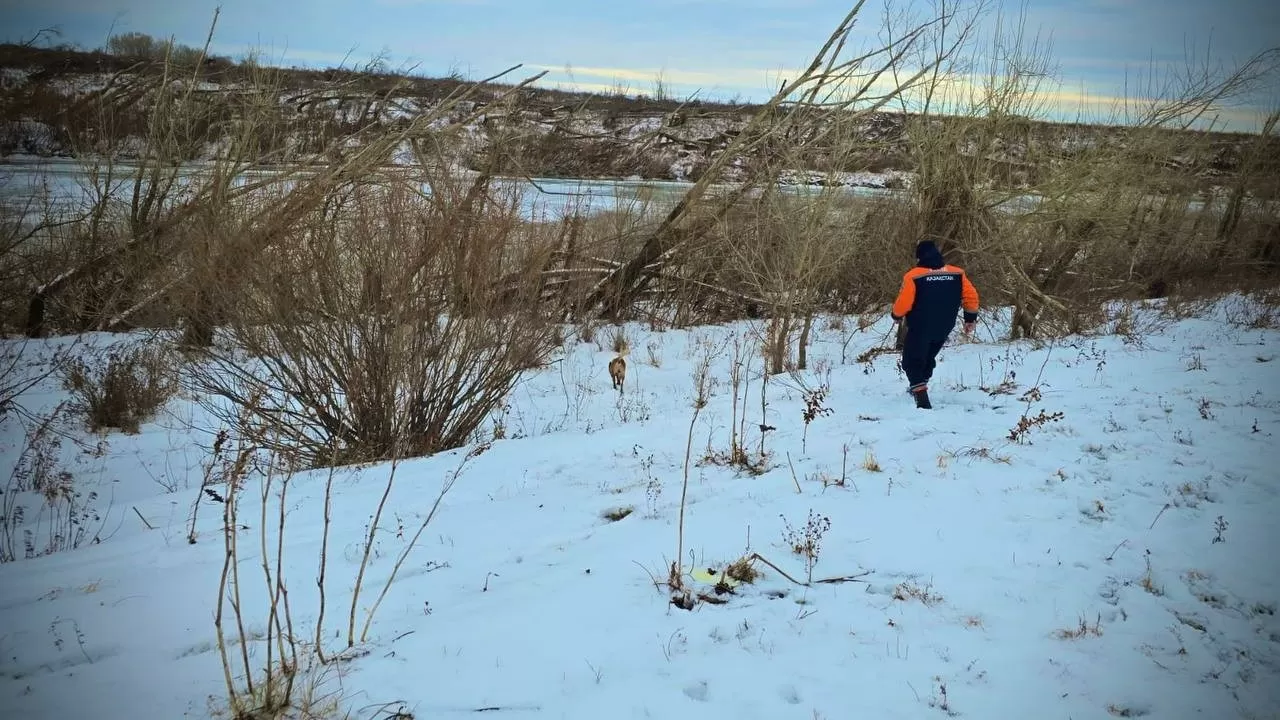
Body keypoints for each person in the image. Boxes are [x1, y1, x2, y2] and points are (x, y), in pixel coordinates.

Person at [889, 239, 980, 409]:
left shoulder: (914, 275)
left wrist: (896, 315)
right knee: (928, 357)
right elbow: (971, 296)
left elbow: (904, 302)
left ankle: (922, 400)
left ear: (919, 258)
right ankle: (918, 386)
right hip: (944, 326)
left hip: (921, 326)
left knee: (912, 360)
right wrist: (970, 319)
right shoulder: (957, 273)